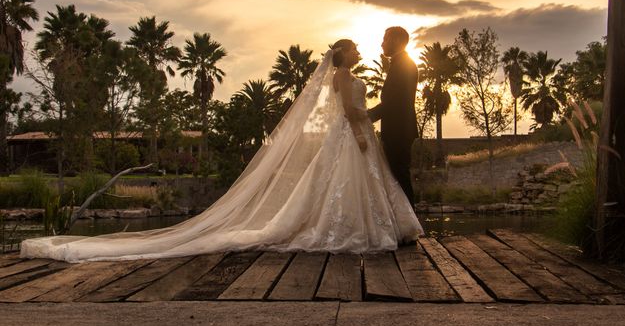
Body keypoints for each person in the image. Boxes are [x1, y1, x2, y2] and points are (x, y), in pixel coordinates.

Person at [20, 40, 423, 263]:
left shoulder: (342, 75)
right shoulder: (347, 77)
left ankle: (354, 225)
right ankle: (359, 229)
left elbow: (357, 108)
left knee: (339, 185)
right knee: (347, 183)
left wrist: (361, 124)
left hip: (350, 134)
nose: (359, 52)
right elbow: (353, 111)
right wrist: (361, 132)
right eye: (353, 49)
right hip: (353, 136)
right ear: (344, 55)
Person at [368, 26, 419, 207]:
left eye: (385, 39)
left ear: (396, 40)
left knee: (400, 176)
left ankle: (411, 228)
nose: (382, 44)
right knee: (398, 176)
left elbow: (394, 103)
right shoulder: (400, 64)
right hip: (398, 130)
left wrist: (366, 116)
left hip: (399, 131)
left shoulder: (404, 65)